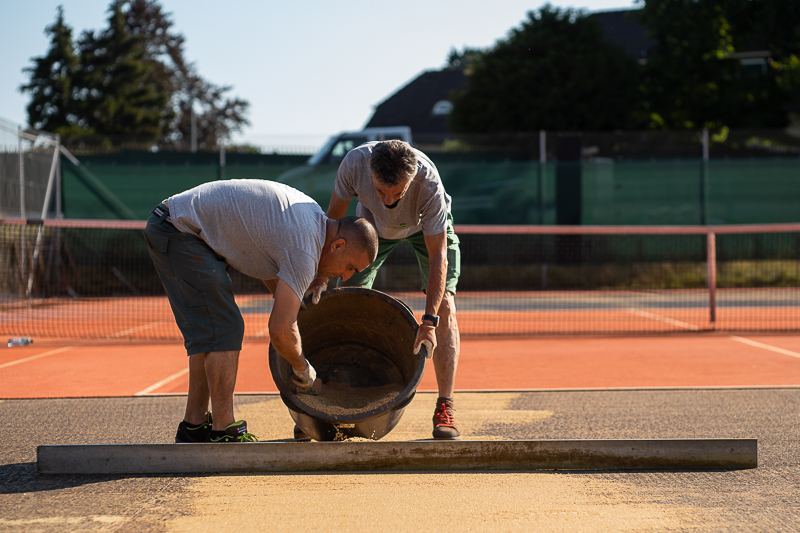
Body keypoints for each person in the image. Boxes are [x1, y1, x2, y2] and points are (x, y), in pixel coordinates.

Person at [144, 179, 378, 443]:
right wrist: (304, 370)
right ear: (338, 246)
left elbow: (269, 269)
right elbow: (279, 330)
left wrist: (294, 303)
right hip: (179, 230)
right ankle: (224, 429)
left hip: (175, 224)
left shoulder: (312, 219)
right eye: (350, 267)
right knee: (225, 328)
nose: (345, 278)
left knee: (210, 333)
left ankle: (194, 426)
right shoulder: (305, 247)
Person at [311, 139, 462, 439]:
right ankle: (325, 404)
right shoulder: (354, 164)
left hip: (425, 231)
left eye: (398, 193)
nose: (390, 201)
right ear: (370, 174)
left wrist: (429, 322)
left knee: (444, 306)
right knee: (346, 301)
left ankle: (445, 405)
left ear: (412, 177)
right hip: (371, 228)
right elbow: (333, 223)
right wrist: (322, 275)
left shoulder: (428, 184)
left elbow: (438, 257)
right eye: (381, 192)